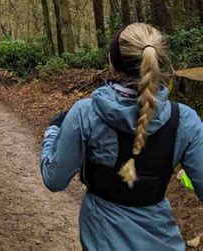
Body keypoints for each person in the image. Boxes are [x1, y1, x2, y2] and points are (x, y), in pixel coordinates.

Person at [40, 23, 202, 251]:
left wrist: (53, 131)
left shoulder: (85, 113)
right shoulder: (186, 120)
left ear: (112, 62)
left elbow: (54, 179)